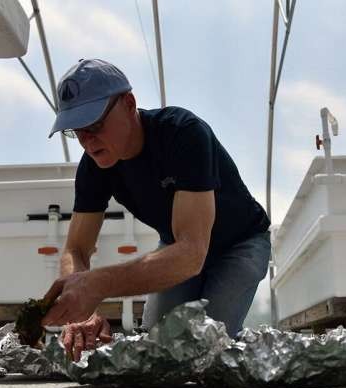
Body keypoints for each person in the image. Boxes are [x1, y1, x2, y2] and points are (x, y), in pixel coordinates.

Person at [41, 59, 270, 361]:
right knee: (157, 353)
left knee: (207, 352)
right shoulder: (94, 166)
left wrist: (97, 284)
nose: (86, 140)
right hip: (177, 247)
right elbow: (76, 250)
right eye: (75, 131)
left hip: (240, 244)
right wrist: (81, 308)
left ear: (129, 103)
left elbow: (192, 254)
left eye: (94, 124)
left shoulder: (184, 134)